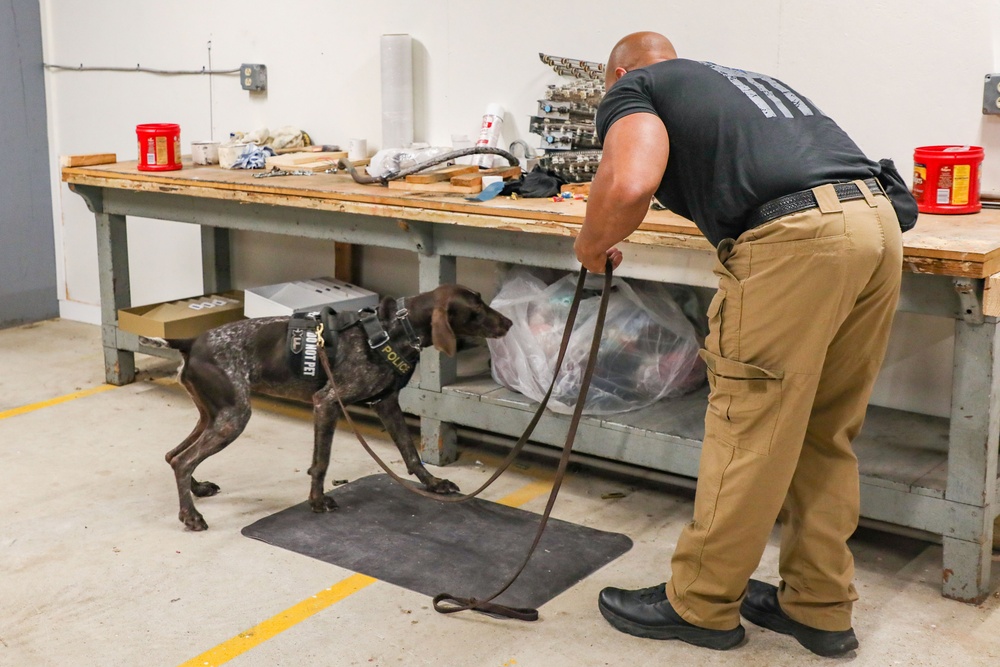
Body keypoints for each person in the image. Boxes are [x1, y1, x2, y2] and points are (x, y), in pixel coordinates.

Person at [574, 32, 908, 657]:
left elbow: (629, 181)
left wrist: (593, 245)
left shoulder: (635, 86)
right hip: (877, 223)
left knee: (746, 427)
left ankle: (699, 604)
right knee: (824, 430)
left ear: (618, 73)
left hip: (797, 238)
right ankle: (820, 606)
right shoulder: (736, 82)